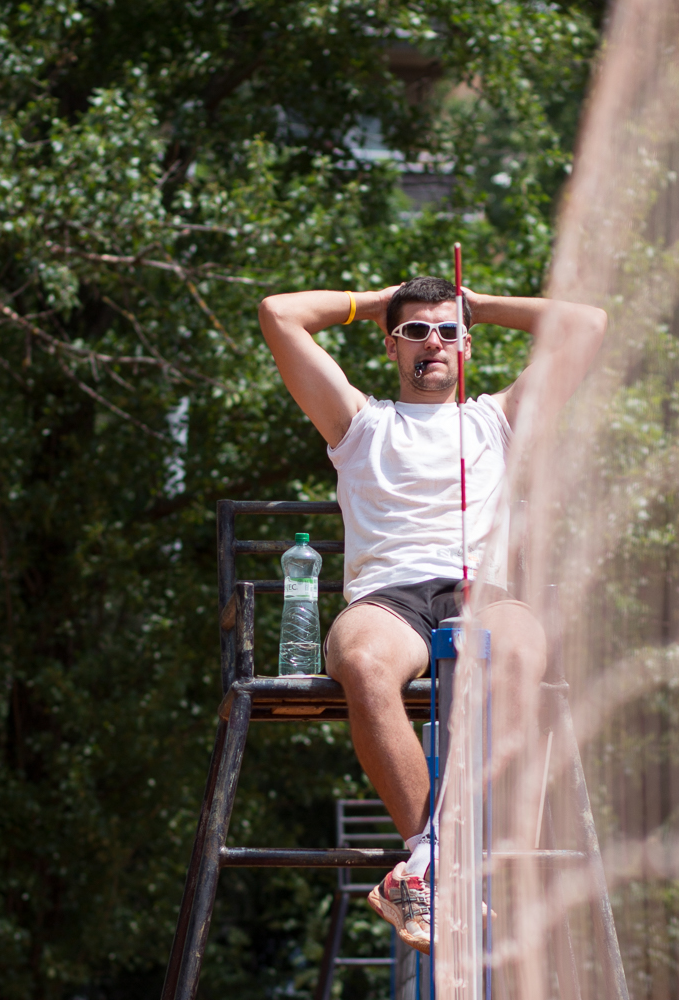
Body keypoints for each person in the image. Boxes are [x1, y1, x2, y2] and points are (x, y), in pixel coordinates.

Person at [258, 272, 607, 947]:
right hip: (389, 598)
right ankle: (434, 857)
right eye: (415, 330)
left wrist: (477, 306)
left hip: (483, 594)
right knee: (361, 659)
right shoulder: (359, 421)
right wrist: (373, 302)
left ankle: (443, 869)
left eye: (448, 331)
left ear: (466, 345)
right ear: (391, 345)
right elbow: (279, 314)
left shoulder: (497, 418)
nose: (433, 342)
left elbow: (587, 324)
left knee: (518, 652)